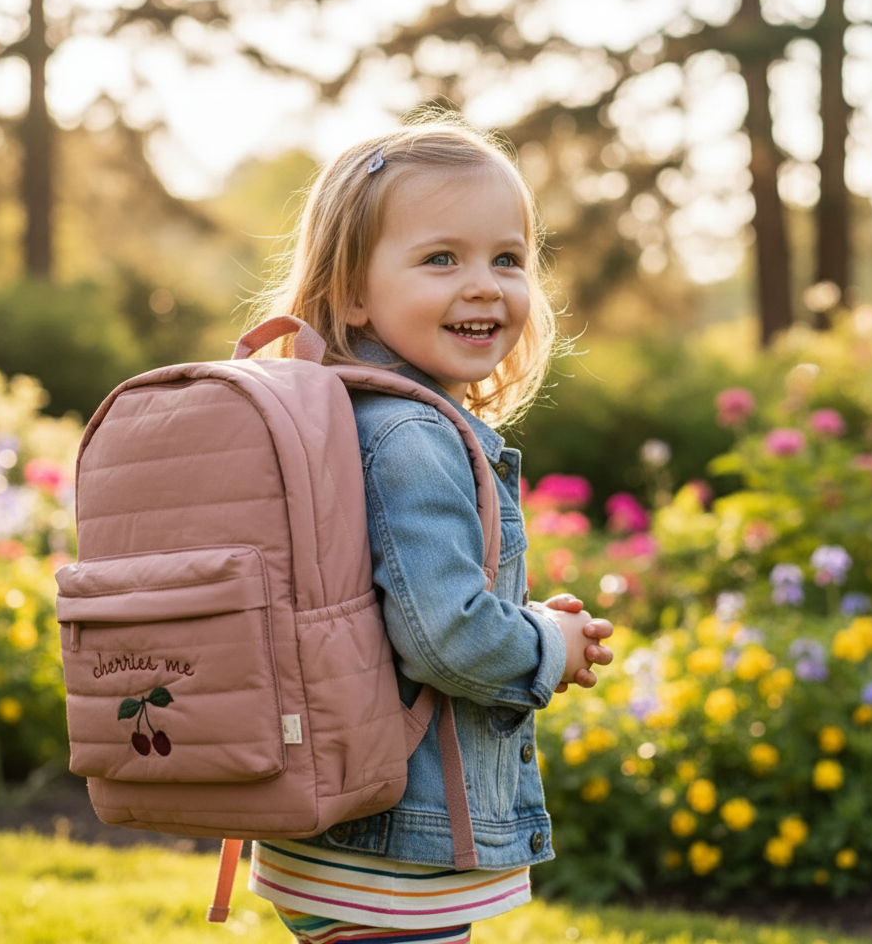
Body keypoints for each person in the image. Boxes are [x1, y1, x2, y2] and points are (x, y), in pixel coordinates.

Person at [244, 119, 615, 944]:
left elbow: (399, 600)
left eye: (507, 259)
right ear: (351, 294)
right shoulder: (410, 434)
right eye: (441, 258)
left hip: (340, 826)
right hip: (395, 844)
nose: (484, 285)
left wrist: (525, 618)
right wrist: (548, 647)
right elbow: (443, 634)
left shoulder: (339, 409)